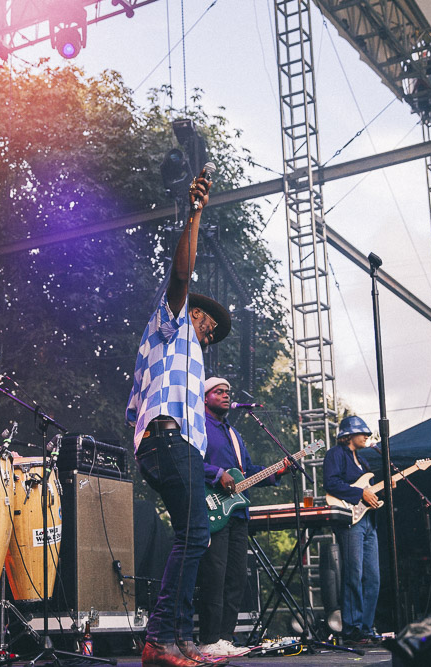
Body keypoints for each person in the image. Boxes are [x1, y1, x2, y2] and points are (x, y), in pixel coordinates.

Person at [126, 169, 232, 667]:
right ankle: (159, 639)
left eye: (213, 331)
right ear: (187, 312)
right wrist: (194, 215)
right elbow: (182, 274)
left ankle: (182, 640)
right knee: (194, 534)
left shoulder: (194, 357)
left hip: (173, 444)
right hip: (165, 441)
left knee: (195, 534)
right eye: (204, 319)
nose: (208, 329)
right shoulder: (169, 325)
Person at [196, 377, 287, 658]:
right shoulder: (198, 426)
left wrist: (277, 471)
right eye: (218, 392)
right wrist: (216, 474)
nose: (225, 395)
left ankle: (225, 638)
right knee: (216, 574)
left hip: (238, 513)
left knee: (236, 576)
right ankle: (208, 638)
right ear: (205, 397)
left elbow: (245, 472)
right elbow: (189, 460)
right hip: (213, 510)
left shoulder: (234, 434)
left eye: (227, 392)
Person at [322, 415, 381, 644]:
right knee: (353, 574)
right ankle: (352, 630)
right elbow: (331, 483)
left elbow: (369, 492)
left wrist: (384, 488)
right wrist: (359, 493)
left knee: (373, 577)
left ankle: (366, 628)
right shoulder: (335, 455)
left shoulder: (363, 461)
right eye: (362, 433)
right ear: (348, 436)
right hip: (349, 521)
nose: (367, 436)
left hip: (367, 522)